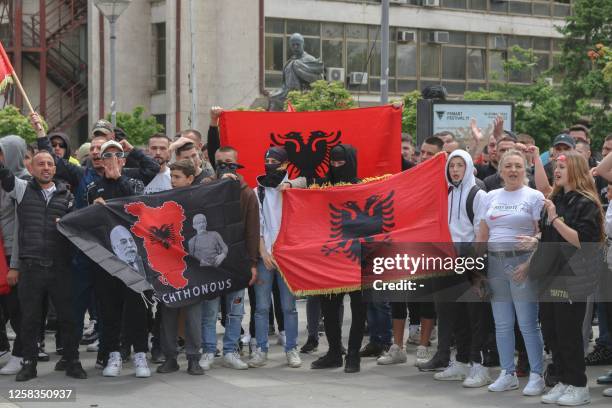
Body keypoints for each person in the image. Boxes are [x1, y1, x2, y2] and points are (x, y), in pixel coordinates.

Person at [0, 150, 86, 381]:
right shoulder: (21, 189)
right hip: (31, 268)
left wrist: (66, 225)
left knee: (67, 318)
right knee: (30, 319)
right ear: (31, 168)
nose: (46, 167)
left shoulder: (67, 197)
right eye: (40, 164)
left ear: (55, 169)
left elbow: (78, 228)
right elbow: (3, 173)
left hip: (61, 268)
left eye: (50, 164)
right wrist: (15, 266)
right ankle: (29, 365)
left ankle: (73, 361)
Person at [531, 151, 604, 405]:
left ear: (575, 169)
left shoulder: (586, 202)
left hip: (572, 278)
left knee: (568, 333)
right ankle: (563, 380)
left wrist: (554, 218)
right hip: (549, 276)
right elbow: (547, 236)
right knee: (552, 332)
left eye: (562, 166)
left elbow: (582, 241)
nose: (557, 171)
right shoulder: (556, 199)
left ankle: (579, 386)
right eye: (556, 167)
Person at [476, 148, 545, 396]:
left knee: (528, 323)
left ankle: (537, 374)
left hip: (522, 263)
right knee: (502, 324)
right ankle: (508, 374)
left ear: (524, 168)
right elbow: (482, 235)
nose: (513, 170)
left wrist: (532, 254)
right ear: (501, 170)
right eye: (509, 166)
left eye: (518, 165)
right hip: (495, 263)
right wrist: (476, 271)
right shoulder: (490, 196)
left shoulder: (534, 196)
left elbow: (542, 232)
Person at [425, 150, 492, 388]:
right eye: (451, 166)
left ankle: (479, 366)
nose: (454, 170)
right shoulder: (446, 194)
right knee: (458, 316)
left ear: (469, 168)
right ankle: (462, 361)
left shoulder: (478, 194)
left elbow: (480, 233)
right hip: (447, 260)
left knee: (477, 317)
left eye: (459, 166)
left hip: (471, 260)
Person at [87, 140, 151, 378]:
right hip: (105, 258)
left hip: (132, 259)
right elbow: (85, 224)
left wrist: (119, 178)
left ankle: (140, 354)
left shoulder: (133, 182)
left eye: (117, 155)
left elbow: (138, 208)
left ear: (124, 160)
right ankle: (112, 354)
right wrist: (94, 209)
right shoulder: (93, 188)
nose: (112, 159)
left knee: (136, 309)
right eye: (107, 155)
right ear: (100, 162)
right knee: (108, 309)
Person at [308, 144, 367, 373]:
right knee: (330, 308)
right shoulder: (321, 186)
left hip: (357, 258)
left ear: (350, 162)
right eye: (332, 163)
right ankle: (334, 352)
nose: (335, 167)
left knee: (359, 308)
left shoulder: (364, 188)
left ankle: (353, 356)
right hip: (331, 257)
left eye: (341, 163)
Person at [199, 146, 259, 371]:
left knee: (235, 310)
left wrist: (252, 263)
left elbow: (253, 230)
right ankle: (208, 350)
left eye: (229, 162)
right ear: (213, 162)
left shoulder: (246, 192)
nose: (224, 166)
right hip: (211, 263)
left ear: (237, 162)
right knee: (210, 310)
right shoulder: (205, 187)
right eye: (220, 162)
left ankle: (231, 350)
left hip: (237, 261)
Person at [248, 146, 304, 369]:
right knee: (261, 307)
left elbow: (312, 181)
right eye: (267, 159)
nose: (269, 164)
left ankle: (292, 349)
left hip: (288, 259)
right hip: (265, 257)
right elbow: (257, 226)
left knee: (289, 306)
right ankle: (261, 350)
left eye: (275, 160)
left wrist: (294, 184)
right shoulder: (258, 191)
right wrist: (263, 252)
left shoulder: (295, 187)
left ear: (285, 164)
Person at [156, 160, 204, 376]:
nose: (173, 181)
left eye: (177, 177)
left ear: (190, 178)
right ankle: (170, 358)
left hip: (193, 267)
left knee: (193, 315)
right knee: (168, 313)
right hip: (169, 267)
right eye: (172, 177)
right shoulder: (164, 200)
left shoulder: (201, 199)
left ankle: (194, 358)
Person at [0, 136, 30, 375]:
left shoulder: (24, 182)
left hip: (13, 254)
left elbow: (21, 226)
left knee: (17, 309)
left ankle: (21, 354)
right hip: (0, 253)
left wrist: (16, 265)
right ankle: (5, 350)